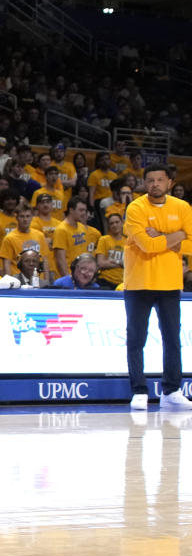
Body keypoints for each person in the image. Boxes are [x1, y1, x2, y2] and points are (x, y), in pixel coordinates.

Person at [123, 164, 192, 411]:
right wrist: (178, 235)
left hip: (170, 283)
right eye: (150, 180)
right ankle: (139, 390)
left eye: (160, 180)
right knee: (136, 339)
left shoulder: (182, 207)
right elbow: (146, 246)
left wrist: (161, 234)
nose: (155, 184)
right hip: (138, 282)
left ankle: (172, 389)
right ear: (144, 183)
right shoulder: (136, 208)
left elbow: (191, 246)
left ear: (169, 183)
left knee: (172, 339)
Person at [0, 204, 51, 278]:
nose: (25, 219)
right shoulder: (9, 238)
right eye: (22, 216)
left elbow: (44, 260)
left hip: (38, 279)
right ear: (16, 218)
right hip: (18, 279)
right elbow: (7, 263)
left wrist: (46, 280)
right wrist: (10, 281)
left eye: (27, 216)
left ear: (32, 218)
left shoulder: (40, 235)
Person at [53, 197, 90, 277]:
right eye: (80, 210)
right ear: (71, 210)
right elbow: (60, 260)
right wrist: (68, 280)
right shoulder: (61, 230)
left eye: (85, 210)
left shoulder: (82, 227)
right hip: (69, 277)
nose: (83, 213)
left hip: (82, 276)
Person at [95, 213, 126, 289]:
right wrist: (120, 263)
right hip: (106, 281)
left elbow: (130, 265)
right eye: (111, 223)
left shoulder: (128, 242)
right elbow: (101, 263)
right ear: (109, 226)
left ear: (122, 223)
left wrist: (110, 261)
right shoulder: (104, 240)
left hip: (123, 283)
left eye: (117, 222)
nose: (114, 225)